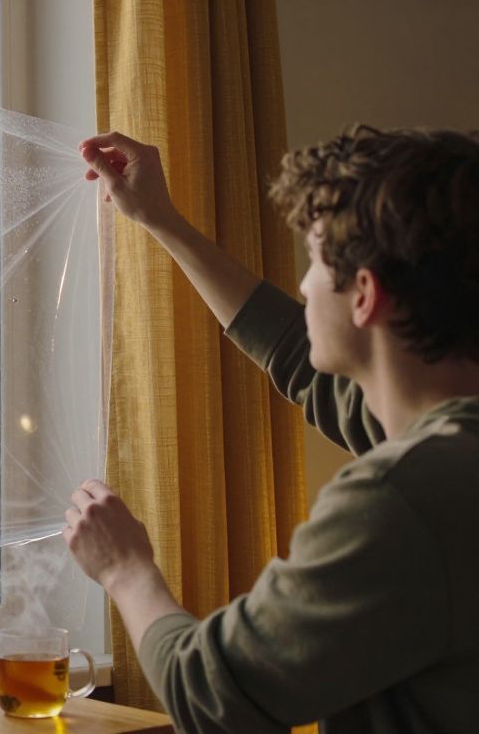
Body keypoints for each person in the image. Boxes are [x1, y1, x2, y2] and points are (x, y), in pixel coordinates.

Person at [67, 125, 479, 733]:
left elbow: (212, 696)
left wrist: (124, 568)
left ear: (365, 294)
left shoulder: (405, 497)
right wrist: (162, 220)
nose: (305, 285)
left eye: (313, 260)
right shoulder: (451, 451)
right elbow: (295, 355)